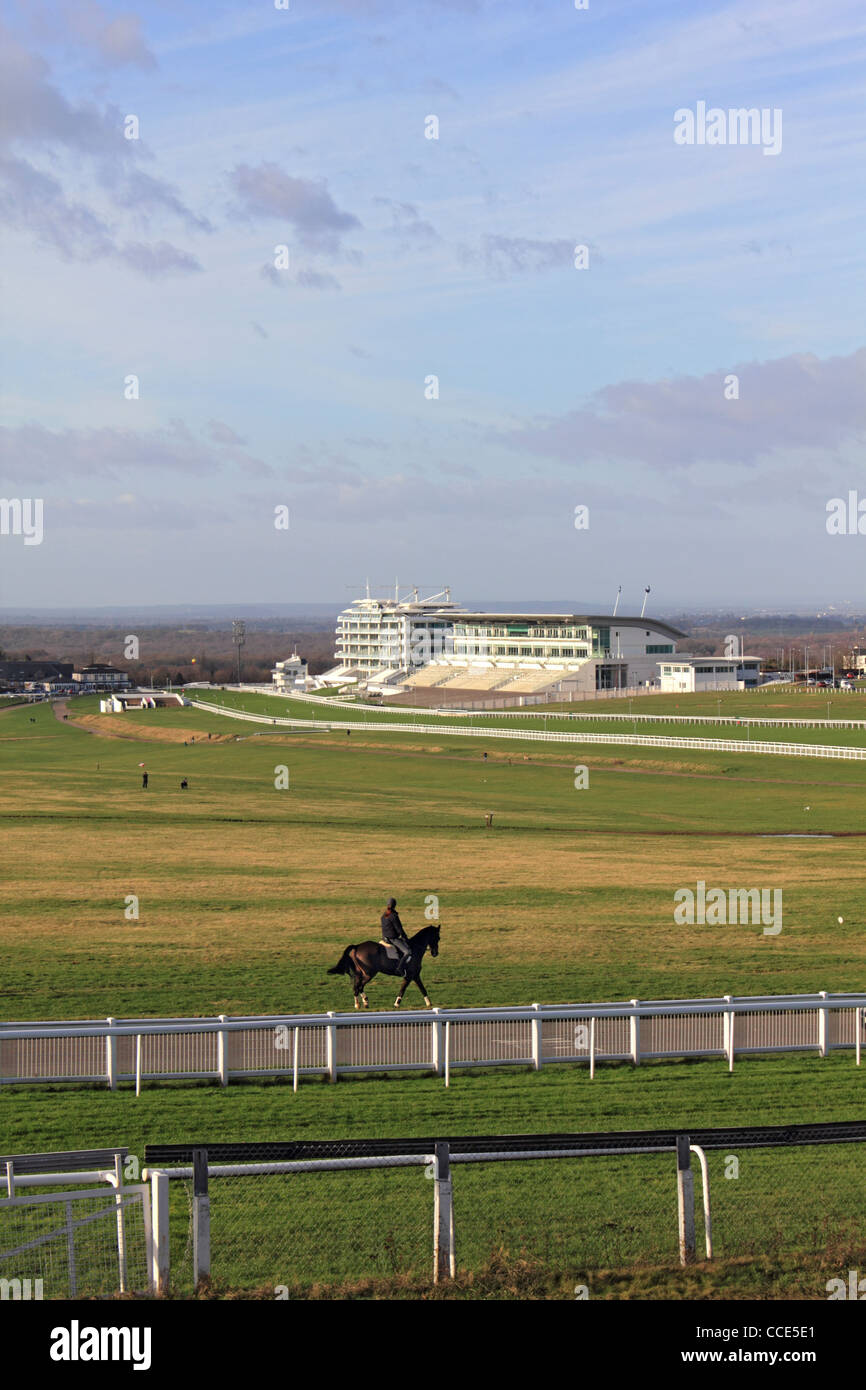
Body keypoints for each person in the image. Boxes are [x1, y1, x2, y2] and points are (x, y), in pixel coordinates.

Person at [380, 897, 412, 975]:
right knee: (407, 952)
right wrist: (405, 937)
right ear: (394, 905)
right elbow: (399, 929)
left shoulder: (384, 915)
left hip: (384, 938)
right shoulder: (393, 916)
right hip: (393, 939)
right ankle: (400, 968)